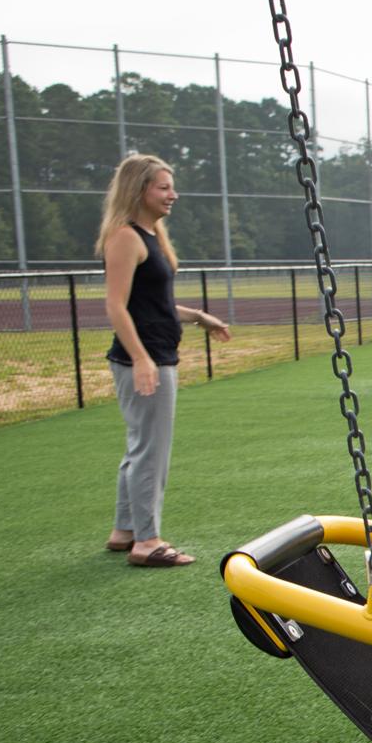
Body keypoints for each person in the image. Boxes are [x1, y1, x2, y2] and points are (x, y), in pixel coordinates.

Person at [96, 153, 231, 568]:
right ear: (139, 190)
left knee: (142, 445)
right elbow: (116, 306)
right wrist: (141, 359)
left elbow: (153, 303)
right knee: (151, 451)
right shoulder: (126, 237)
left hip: (157, 353)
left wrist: (198, 316)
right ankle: (147, 541)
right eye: (163, 187)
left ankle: (125, 531)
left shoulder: (150, 236)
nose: (173, 194)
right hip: (146, 358)